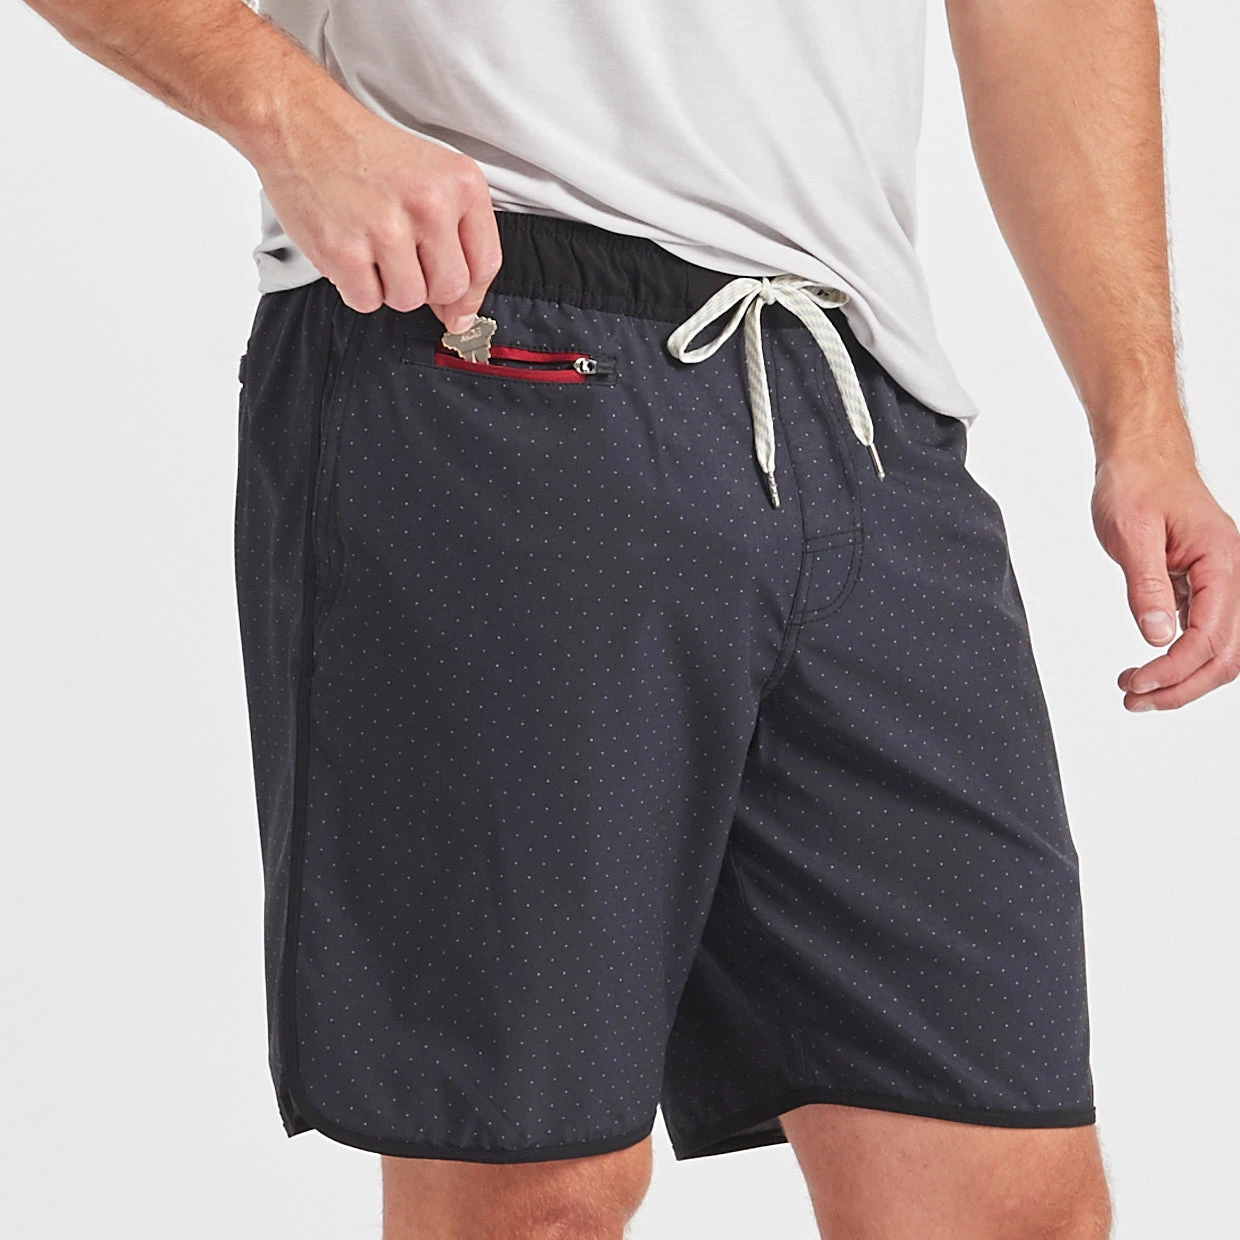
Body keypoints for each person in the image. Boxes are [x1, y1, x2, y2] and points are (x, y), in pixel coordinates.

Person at [26, 1, 1239, 1236]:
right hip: (497, 333)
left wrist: (1139, 412)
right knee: (534, 1193)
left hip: (856, 391)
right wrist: (294, 121)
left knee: (1011, 1201)